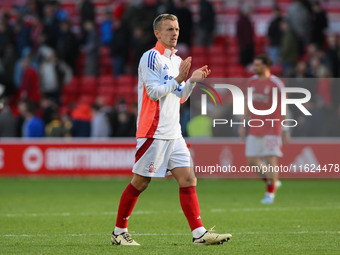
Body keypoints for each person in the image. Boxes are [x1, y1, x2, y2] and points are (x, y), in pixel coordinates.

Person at [111, 13, 232, 246]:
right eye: (169, 29)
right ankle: (119, 232)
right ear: (157, 33)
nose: (174, 33)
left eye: (176, 29)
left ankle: (199, 234)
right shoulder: (150, 57)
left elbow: (180, 97)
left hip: (174, 132)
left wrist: (192, 81)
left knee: (188, 179)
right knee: (140, 182)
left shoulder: (177, 61)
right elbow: (154, 92)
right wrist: (179, 78)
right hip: (153, 131)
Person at [238, 55, 290, 204]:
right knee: (252, 161)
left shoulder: (276, 83)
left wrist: (286, 129)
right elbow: (248, 103)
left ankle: (270, 194)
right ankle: (272, 181)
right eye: (255, 65)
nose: (255, 68)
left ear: (267, 67)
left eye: (258, 65)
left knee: (270, 159)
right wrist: (243, 124)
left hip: (272, 127)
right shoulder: (252, 82)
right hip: (255, 126)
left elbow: (284, 106)